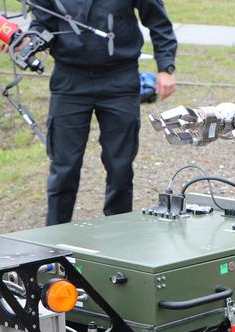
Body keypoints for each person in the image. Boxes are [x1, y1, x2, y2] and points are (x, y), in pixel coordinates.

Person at [29, 0, 177, 226]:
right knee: (64, 168)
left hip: (120, 79)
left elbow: (158, 21)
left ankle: (117, 235)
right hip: (69, 80)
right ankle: (54, 242)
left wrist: (165, 67)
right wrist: (27, 42)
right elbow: (42, 22)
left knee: (120, 167)